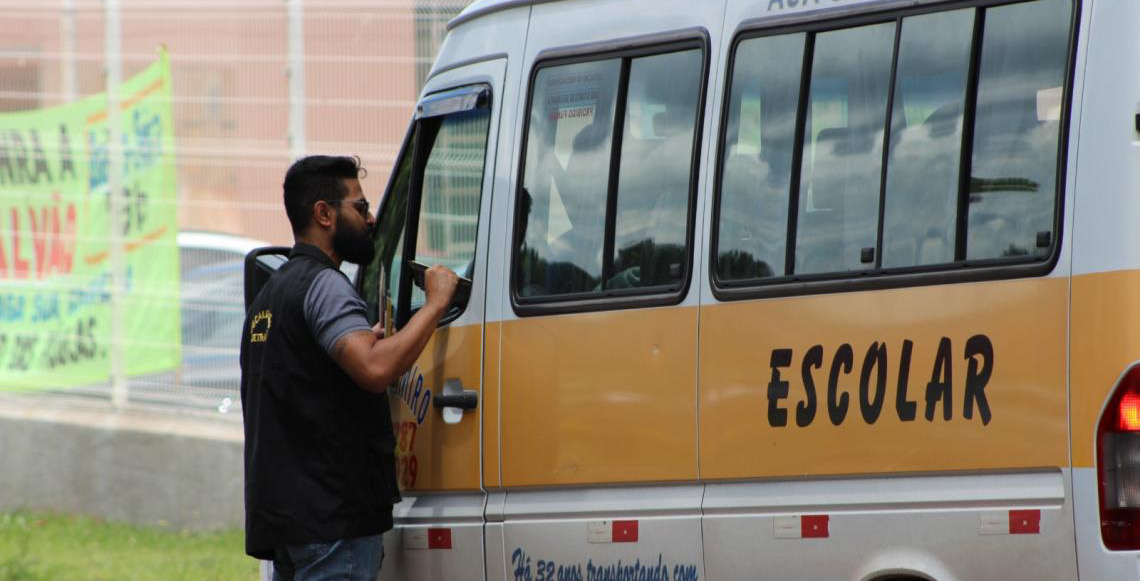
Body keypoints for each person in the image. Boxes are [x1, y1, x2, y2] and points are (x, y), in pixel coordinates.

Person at [240, 155, 458, 581]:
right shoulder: (326, 286)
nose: (371, 218)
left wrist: (366, 340)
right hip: (332, 524)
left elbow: (308, 382)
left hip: (290, 525)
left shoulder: (271, 296)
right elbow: (375, 369)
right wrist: (435, 304)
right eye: (360, 207)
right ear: (324, 213)